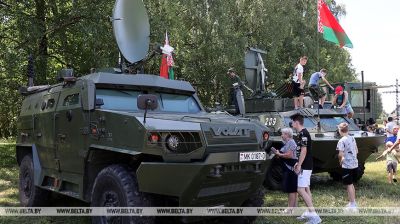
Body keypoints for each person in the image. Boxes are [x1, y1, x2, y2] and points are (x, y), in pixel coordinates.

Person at [291, 114, 321, 224]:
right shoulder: (301, 133)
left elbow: (304, 151)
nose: (292, 124)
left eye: (292, 122)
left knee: (300, 189)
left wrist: (299, 165)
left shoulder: (303, 134)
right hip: (305, 165)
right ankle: (310, 212)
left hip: (305, 166)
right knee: (306, 188)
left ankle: (315, 216)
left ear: (297, 122)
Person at [271, 128, 298, 212]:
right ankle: (293, 208)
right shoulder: (287, 143)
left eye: (282, 134)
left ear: (287, 134)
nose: (281, 135)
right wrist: (278, 153)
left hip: (291, 168)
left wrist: (279, 154)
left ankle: (290, 209)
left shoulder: (291, 142)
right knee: (292, 189)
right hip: (288, 168)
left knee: (292, 189)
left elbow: (289, 155)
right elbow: (281, 154)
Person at [336, 122, 359, 210]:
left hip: (347, 166)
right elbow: (356, 150)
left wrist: (340, 161)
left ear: (340, 130)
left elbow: (340, 154)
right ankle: (352, 202)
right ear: (348, 130)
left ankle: (353, 205)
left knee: (348, 185)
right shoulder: (352, 138)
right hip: (354, 164)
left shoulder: (341, 141)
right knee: (351, 184)